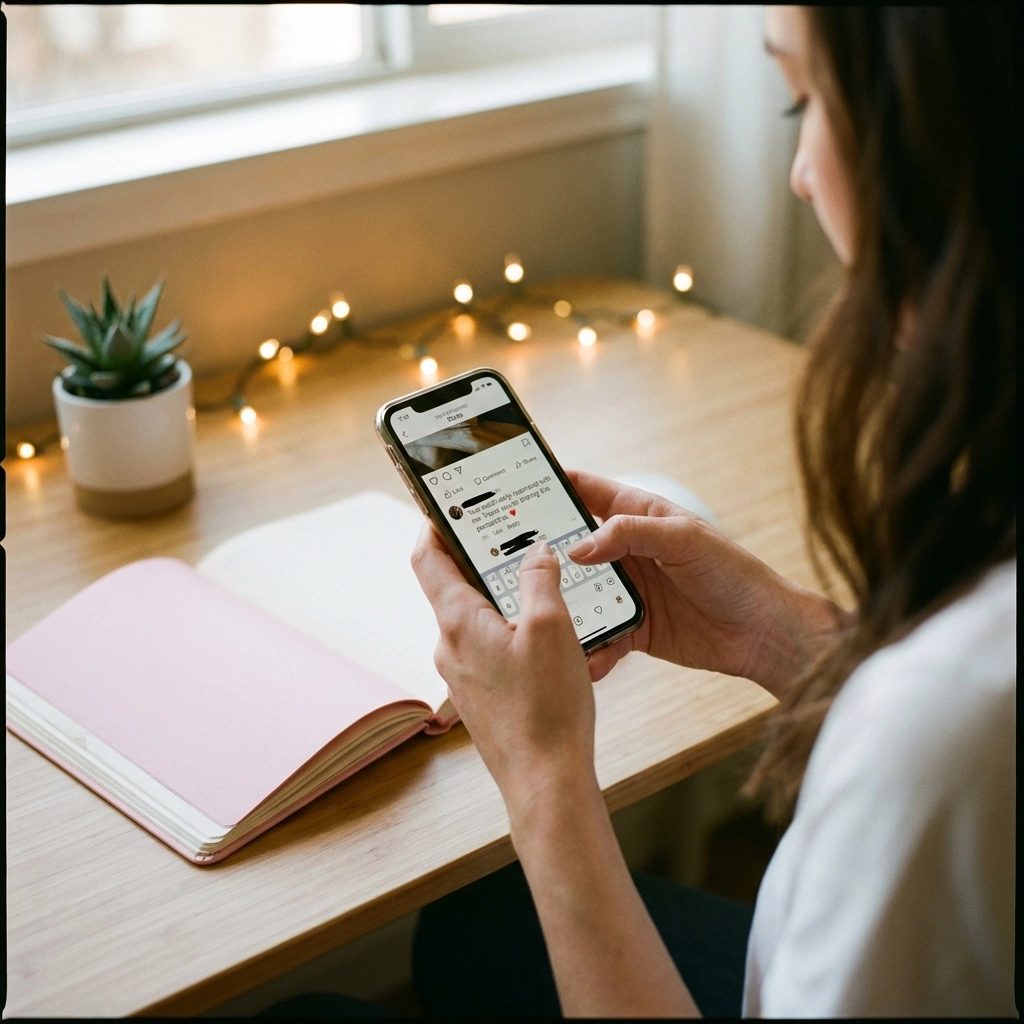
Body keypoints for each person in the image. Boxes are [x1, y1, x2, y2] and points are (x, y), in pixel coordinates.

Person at [407, 6, 1015, 1018]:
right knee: (473, 925)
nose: (799, 173)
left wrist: (543, 776)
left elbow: (948, 737)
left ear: (945, 142)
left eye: (805, 98)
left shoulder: (946, 730)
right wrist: (783, 635)